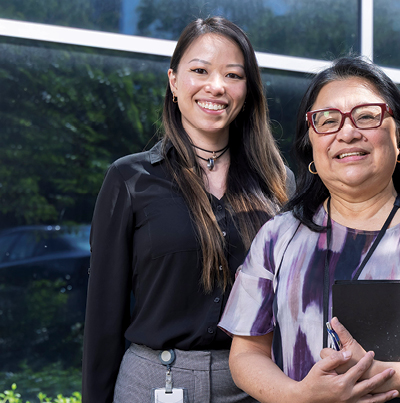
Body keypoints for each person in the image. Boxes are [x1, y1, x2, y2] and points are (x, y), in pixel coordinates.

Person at [217, 55, 400, 403]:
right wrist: (302, 396)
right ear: (312, 146)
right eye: (328, 120)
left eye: (366, 116)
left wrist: (376, 374)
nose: (348, 133)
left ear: (399, 138)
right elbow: (245, 354)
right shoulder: (278, 236)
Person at [82, 17, 292, 403]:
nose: (216, 86)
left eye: (233, 75)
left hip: (252, 386)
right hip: (150, 384)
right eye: (199, 70)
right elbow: (103, 318)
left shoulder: (278, 184)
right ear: (174, 81)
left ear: (247, 90)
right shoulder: (129, 179)